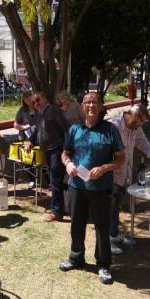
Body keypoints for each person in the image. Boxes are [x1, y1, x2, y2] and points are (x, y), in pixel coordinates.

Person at [59, 92, 125, 284]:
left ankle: (103, 264)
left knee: (102, 227)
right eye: (87, 102)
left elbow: (120, 159)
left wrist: (105, 168)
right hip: (76, 185)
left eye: (94, 102)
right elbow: (65, 153)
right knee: (76, 223)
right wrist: (68, 164)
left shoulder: (110, 130)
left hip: (101, 188)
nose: (90, 106)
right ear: (82, 106)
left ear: (101, 106)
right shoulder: (74, 129)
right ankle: (76, 257)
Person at [109, 104, 150, 255]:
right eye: (141, 122)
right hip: (111, 174)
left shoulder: (135, 128)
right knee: (110, 208)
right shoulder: (114, 126)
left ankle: (114, 235)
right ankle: (108, 241)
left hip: (124, 173)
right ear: (134, 115)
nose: (141, 125)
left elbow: (142, 141)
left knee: (117, 206)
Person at [26, 91, 70, 221]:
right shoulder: (40, 114)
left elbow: (67, 129)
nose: (36, 103)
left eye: (38, 100)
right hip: (48, 151)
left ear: (45, 98)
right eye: (33, 102)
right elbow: (37, 131)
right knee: (54, 181)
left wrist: (66, 150)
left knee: (55, 182)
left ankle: (57, 212)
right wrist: (29, 141)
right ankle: (57, 208)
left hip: (57, 150)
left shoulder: (53, 110)